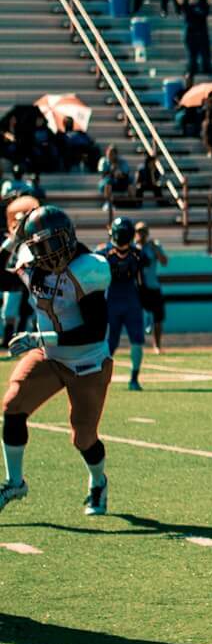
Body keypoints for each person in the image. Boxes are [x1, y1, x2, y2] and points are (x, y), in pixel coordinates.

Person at [0, 206, 114, 516]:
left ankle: (97, 482)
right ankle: (14, 482)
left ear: (68, 238)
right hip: (51, 356)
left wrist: (39, 339)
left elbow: (93, 331)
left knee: (83, 436)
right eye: (38, 248)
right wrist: (13, 242)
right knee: (12, 407)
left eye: (51, 246)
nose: (47, 255)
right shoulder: (33, 267)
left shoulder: (88, 268)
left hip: (87, 362)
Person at [96, 217, 148, 391]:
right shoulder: (136, 253)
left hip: (119, 300)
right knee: (116, 343)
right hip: (122, 300)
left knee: (125, 342)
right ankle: (131, 378)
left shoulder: (105, 253)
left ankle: (109, 378)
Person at [133, 221, 167, 352]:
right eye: (138, 232)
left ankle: (157, 345)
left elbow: (164, 262)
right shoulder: (131, 248)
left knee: (158, 317)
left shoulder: (153, 246)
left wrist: (155, 250)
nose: (141, 235)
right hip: (137, 289)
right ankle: (137, 344)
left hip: (152, 287)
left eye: (143, 232)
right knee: (135, 318)